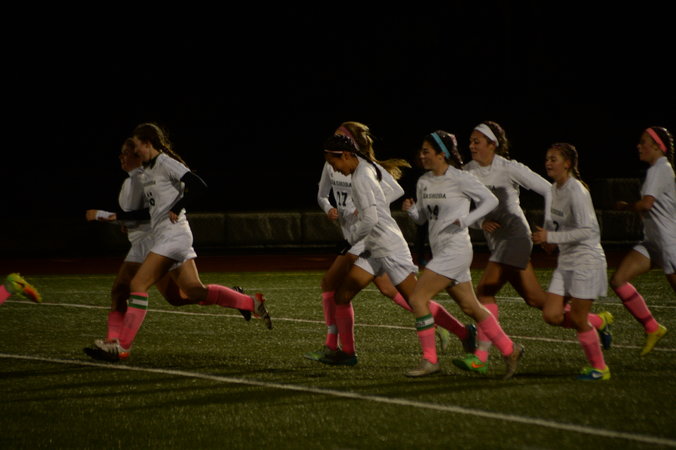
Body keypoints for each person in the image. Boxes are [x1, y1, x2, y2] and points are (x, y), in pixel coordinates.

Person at [90, 123, 271, 361]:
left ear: (148, 143)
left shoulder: (165, 163)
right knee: (192, 291)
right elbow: (152, 209)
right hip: (166, 236)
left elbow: (199, 185)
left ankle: (122, 346)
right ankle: (250, 303)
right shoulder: (149, 171)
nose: (135, 152)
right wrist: (125, 220)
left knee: (138, 284)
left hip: (173, 236)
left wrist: (178, 207)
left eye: (137, 147)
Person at [454, 120, 613, 374]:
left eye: (477, 141)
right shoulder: (467, 171)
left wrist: (551, 229)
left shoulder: (509, 168)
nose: (471, 146)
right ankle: (596, 321)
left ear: (492, 144)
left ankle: (481, 357)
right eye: (470, 141)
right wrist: (480, 222)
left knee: (485, 290)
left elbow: (550, 191)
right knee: (536, 299)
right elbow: (462, 212)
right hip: (498, 243)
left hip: (517, 238)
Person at [317, 134, 476, 368]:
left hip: (388, 247)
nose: (335, 170)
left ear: (348, 155)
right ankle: (347, 353)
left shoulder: (361, 176)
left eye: (334, 163)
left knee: (416, 300)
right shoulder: (363, 168)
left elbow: (371, 219)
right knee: (342, 295)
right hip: (373, 247)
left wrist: (351, 238)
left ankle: (450, 344)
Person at [403, 130, 524, 378]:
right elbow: (423, 218)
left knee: (417, 299)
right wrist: (412, 211)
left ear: (441, 153)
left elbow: (490, 201)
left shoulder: (460, 178)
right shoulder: (424, 181)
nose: (422, 155)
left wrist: (467, 220)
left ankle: (430, 360)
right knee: (471, 306)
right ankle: (510, 349)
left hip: (456, 249)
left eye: (426, 151)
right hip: (441, 251)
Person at [532, 143, 610, 381]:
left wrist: (551, 237)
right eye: (547, 158)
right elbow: (553, 223)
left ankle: (600, 368)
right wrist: (547, 239)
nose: (548, 163)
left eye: (553, 159)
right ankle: (599, 321)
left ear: (567, 163)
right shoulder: (553, 189)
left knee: (577, 319)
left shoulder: (576, 190)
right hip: (566, 261)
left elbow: (587, 230)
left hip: (587, 260)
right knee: (551, 315)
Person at [610, 126, 674, 356]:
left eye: (643, 142)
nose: (639, 146)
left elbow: (646, 204)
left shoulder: (660, 168)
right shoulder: (657, 169)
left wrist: (626, 207)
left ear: (657, 146)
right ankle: (652, 327)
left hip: (670, 244)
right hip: (653, 243)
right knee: (618, 280)